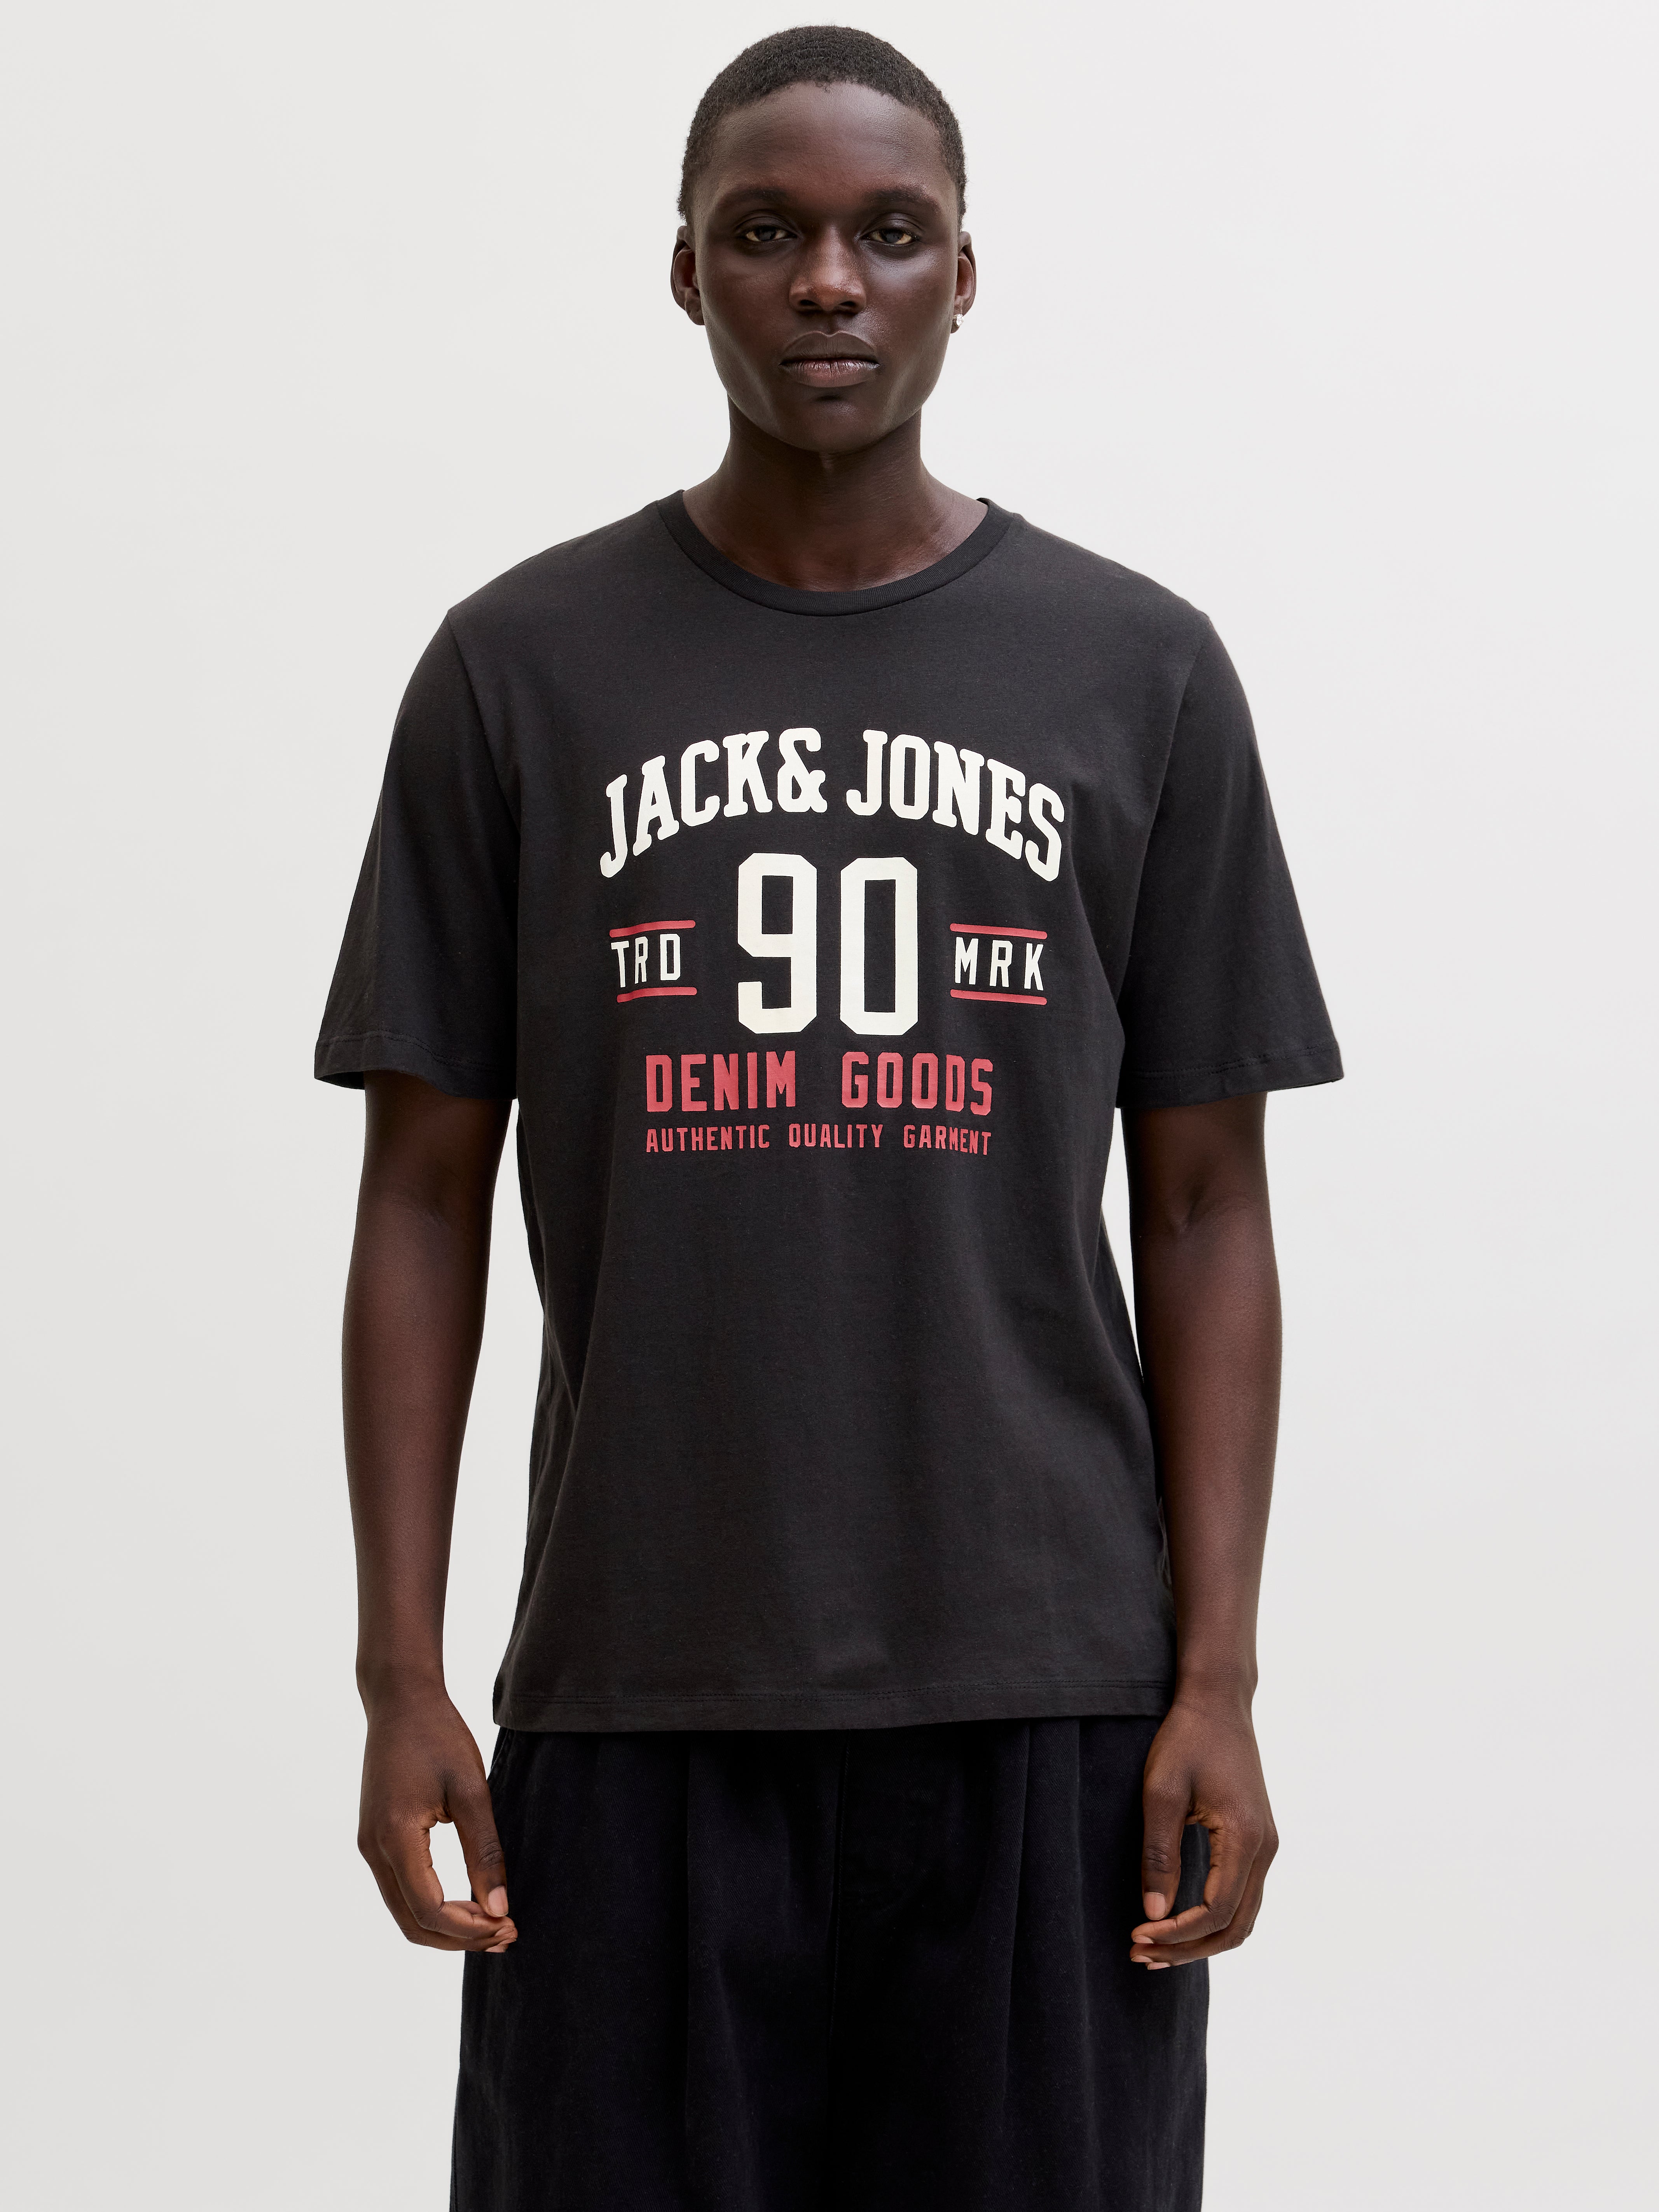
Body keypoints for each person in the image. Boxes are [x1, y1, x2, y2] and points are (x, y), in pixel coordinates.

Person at [316, 26, 1341, 2210]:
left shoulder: (1139, 669)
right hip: (640, 1679)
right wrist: (403, 1674)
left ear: (968, 273)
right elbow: (419, 1190)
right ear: (684, 269)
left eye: (890, 232)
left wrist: (1221, 1678)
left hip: (1048, 1684)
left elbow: (1206, 1201)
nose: (827, 281)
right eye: (766, 230)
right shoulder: (518, 670)